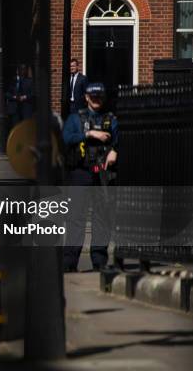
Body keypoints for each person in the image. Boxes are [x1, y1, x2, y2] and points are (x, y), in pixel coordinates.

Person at [62, 83, 118, 272]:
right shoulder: (76, 118)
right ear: (86, 97)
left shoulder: (111, 119)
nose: (96, 100)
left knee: (101, 218)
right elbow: (65, 138)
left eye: (99, 97)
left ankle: (99, 262)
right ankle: (69, 262)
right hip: (80, 172)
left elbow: (120, 140)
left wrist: (115, 152)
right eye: (93, 97)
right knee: (75, 217)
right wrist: (88, 134)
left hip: (102, 173)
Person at [6, 64, 34, 129]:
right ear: (17, 71)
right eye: (21, 69)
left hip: (26, 109)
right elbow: (7, 93)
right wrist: (14, 97)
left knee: (25, 128)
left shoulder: (30, 81)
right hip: (15, 108)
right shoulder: (12, 81)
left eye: (24, 69)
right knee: (15, 127)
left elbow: (33, 94)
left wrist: (24, 97)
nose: (22, 71)